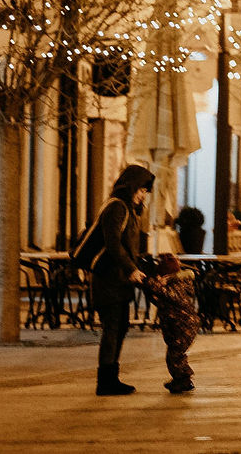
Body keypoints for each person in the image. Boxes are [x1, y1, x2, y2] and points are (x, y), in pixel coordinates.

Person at [82, 164, 155, 395]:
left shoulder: (129, 210)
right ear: (130, 186)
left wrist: (139, 266)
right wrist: (131, 269)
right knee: (112, 327)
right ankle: (105, 381)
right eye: (141, 190)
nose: (143, 195)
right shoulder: (116, 208)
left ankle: (111, 377)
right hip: (108, 279)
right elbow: (113, 244)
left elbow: (129, 247)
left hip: (120, 280)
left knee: (120, 326)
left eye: (145, 191)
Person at [146, 254, 200, 393]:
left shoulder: (176, 285)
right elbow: (161, 300)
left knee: (174, 355)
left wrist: (151, 283)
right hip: (178, 326)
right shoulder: (173, 285)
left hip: (183, 326)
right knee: (176, 354)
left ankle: (183, 380)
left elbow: (170, 296)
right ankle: (182, 379)